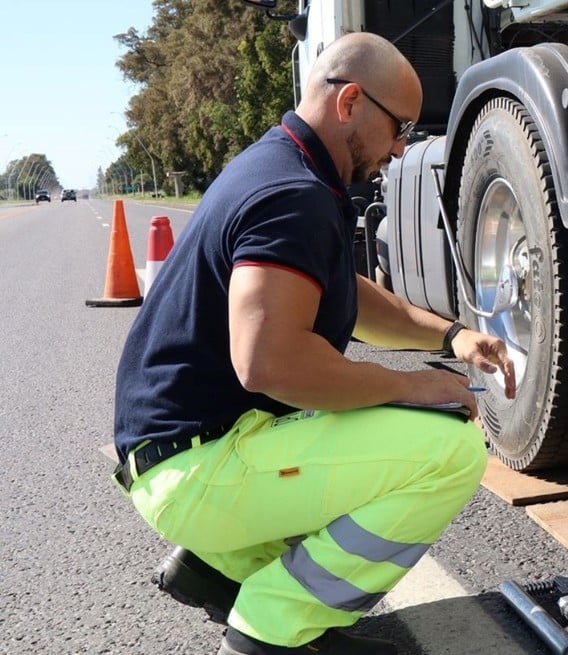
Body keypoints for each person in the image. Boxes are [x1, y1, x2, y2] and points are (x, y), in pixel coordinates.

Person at [111, 32, 517, 655]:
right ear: (351, 101)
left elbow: (339, 293)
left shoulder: (284, 168)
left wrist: (452, 335)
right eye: (400, 126)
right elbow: (269, 362)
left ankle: (223, 570)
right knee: (450, 449)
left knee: (374, 416)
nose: (402, 146)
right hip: (196, 468)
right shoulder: (293, 195)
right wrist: (414, 387)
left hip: (182, 454)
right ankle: (274, 626)